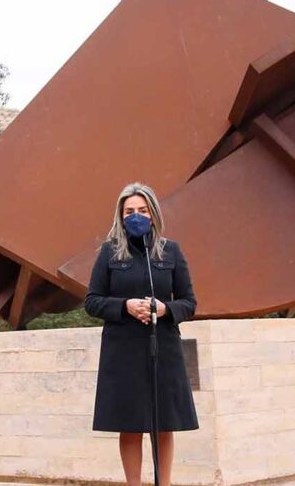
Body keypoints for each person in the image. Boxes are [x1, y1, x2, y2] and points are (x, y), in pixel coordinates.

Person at [84, 182, 198, 486]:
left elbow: (189, 303)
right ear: (121, 217)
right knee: (130, 425)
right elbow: (92, 301)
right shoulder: (110, 252)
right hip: (123, 351)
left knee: (164, 424)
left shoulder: (170, 251)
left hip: (163, 348)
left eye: (142, 210)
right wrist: (125, 306)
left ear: (153, 213)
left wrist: (163, 309)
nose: (136, 216)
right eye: (130, 211)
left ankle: (165, 483)